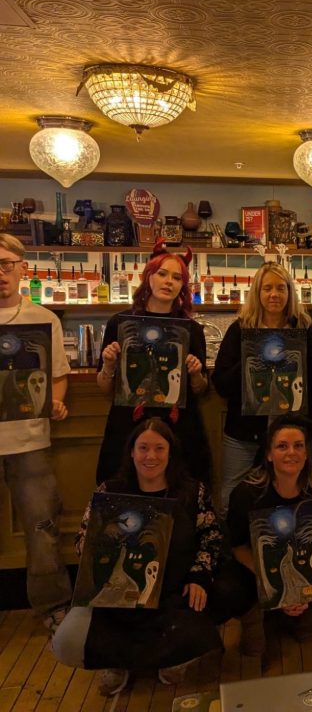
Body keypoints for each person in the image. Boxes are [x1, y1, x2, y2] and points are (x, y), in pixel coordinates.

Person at [51, 418, 223, 695]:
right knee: (66, 642)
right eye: (143, 448)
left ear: (171, 453)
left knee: (197, 632)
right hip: (116, 597)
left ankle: (169, 658)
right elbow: (83, 542)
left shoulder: (193, 492)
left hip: (172, 592)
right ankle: (117, 664)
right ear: (131, 452)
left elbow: (210, 537)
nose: (150, 456)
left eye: (159, 448)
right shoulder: (109, 491)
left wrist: (198, 576)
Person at [213, 262, 312, 512]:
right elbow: (221, 383)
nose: (274, 294)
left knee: (295, 493)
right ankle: (235, 538)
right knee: (232, 494)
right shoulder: (240, 329)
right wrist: (252, 357)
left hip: (294, 433)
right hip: (244, 432)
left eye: (280, 288)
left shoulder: (305, 330)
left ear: (290, 292)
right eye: (267, 288)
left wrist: (308, 425)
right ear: (257, 292)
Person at [0, 233, 71, 632]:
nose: (0, 273)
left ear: (22, 269)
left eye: (6, 264)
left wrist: (55, 403)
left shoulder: (44, 319)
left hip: (30, 440)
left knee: (42, 527)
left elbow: (57, 377)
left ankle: (53, 606)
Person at [95, 241, 210, 484]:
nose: (169, 282)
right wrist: (108, 366)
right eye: (162, 274)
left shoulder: (191, 329)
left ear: (183, 286)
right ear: (148, 277)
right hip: (128, 425)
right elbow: (105, 389)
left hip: (179, 427)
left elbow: (200, 390)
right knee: (123, 488)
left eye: (177, 278)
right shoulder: (120, 323)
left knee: (180, 491)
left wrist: (196, 374)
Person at [226, 414, 312, 659]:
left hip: (303, 564)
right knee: (229, 589)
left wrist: (304, 588)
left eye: (298, 446)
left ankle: (301, 611)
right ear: (268, 454)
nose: (291, 453)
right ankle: (254, 620)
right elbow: (237, 546)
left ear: (306, 454)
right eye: (282, 446)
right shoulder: (246, 494)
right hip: (255, 567)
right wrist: (278, 584)